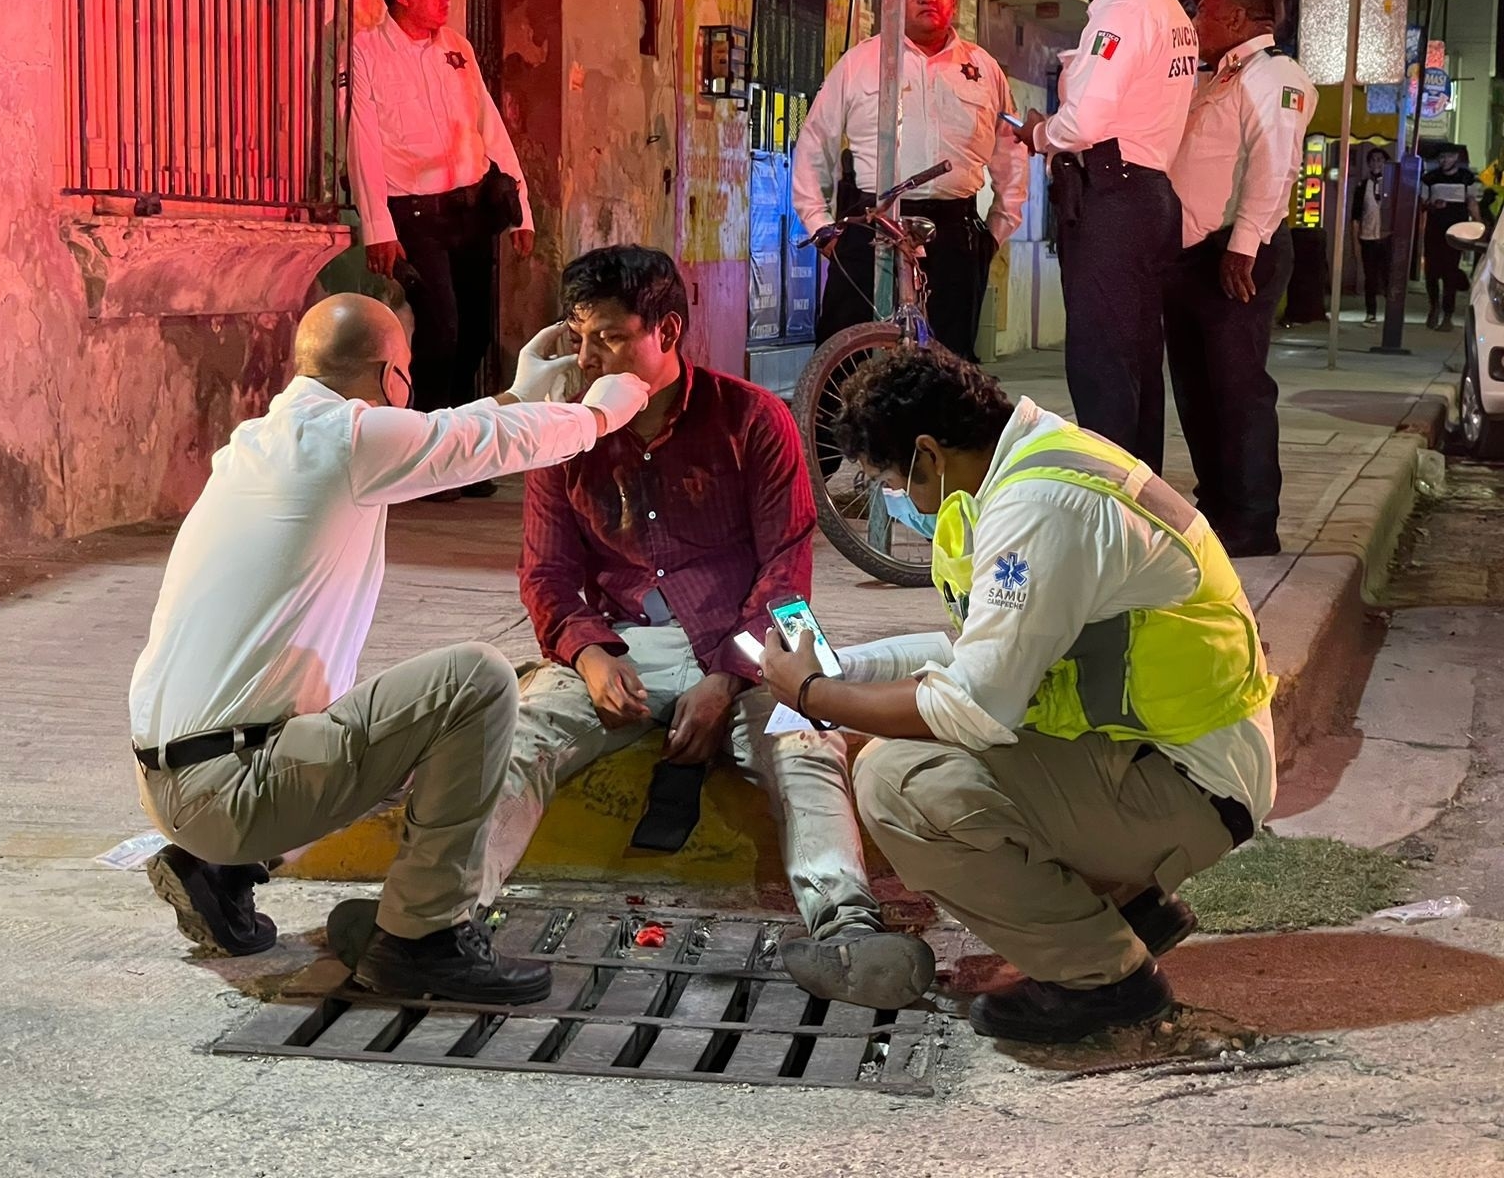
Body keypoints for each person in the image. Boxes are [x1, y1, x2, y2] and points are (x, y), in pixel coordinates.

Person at [128, 293, 649, 1003]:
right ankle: (421, 941)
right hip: (234, 789)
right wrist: (600, 412)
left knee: (399, 727)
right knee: (475, 686)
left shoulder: (268, 438)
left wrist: (517, 394)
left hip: (178, 780)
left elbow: (437, 435)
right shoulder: (349, 440)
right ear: (392, 379)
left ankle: (217, 873)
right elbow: (472, 444)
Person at [761, 344, 1274, 1043]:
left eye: (888, 478)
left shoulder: (1039, 509)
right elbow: (978, 652)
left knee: (896, 780)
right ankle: (1127, 908)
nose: (893, 497)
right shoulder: (1034, 460)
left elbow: (969, 706)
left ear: (927, 455)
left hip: (1190, 786)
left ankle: (1106, 979)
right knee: (914, 745)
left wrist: (817, 695)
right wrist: (844, 668)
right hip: (1164, 757)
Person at [481, 245, 932, 1009]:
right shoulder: (565, 434)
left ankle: (847, 933)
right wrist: (589, 655)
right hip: (622, 642)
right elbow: (547, 576)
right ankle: (437, 923)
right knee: (516, 739)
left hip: (752, 642)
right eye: (579, 336)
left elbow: (787, 571)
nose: (590, 359)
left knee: (805, 741)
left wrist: (727, 678)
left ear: (668, 330)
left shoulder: (752, 420)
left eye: (613, 339)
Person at [347, 0, 533, 500]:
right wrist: (377, 226)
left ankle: (457, 456)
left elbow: (488, 123)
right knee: (441, 329)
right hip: (413, 214)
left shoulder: (457, 48)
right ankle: (423, 458)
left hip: (469, 209)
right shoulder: (365, 53)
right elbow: (361, 140)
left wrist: (522, 210)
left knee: (474, 332)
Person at [1013, 0, 1198, 475]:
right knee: (1135, 360)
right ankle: (1138, 501)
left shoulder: (1124, 9)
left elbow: (1085, 123)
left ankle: (1113, 503)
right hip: (1144, 192)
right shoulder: (1165, 7)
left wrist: (1038, 133)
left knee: (1103, 363)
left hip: (1114, 195)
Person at [792, 0, 1028, 363]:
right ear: (893, 0)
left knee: (949, 363)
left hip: (955, 232)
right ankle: (835, 425)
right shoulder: (859, 63)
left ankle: (936, 427)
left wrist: (997, 230)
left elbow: (1011, 152)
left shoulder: (983, 70)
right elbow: (814, 143)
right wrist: (820, 226)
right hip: (871, 224)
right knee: (845, 356)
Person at [1164, 0, 1316, 559]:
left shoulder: (1276, 78)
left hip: (1235, 254)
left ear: (1235, 19)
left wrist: (1244, 245)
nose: (1192, 21)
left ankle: (1253, 519)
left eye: (1201, 12)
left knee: (1238, 388)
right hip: (1192, 256)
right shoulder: (1218, 76)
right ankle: (1220, 505)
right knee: (1197, 389)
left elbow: (1276, 167)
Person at [1420, 145, 1482, 331]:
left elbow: (1472, 202)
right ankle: (1434, 306)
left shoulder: (1467, 178)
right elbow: (1423, 203)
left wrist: (1479, 223)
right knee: (1431, 272)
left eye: (1447, 157)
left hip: (1457, 231)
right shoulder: (1430, 178)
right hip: (1434, 230)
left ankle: (1448, 315)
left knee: (1450, 272)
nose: (1443, 161)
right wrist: (1433, 205)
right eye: (1441, 158)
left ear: (1455, 157)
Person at [1353, 148, 1394, 326]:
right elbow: (1355, 217)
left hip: (1387, 236)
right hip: (1368, 236)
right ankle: (1371, 313)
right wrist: (1354, 242)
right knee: (1370, 277)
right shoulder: (1362, 186)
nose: (1377, 163)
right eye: (1373, 160)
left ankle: (1392, 313)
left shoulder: (1392, 185)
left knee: (1388, 276)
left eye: (1380, 160)